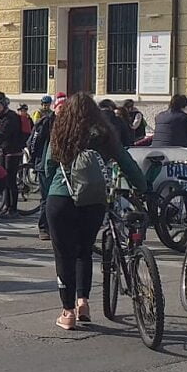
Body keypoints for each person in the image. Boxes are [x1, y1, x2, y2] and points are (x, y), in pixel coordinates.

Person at [41, 92, 147, 331]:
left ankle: (67, 312)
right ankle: (83, 303)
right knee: (84, 251)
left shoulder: (60, 132)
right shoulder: (104, 135)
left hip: (60, 198)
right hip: (93, 201)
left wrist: (51, 191)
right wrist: (144, 188)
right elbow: (126, 162)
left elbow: (47, 166)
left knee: (63, 254)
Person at [28, 96, 57, 241]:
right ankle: (44, 228)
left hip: (59, 166)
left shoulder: (66, 122)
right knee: (46, 198)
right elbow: (33, 142)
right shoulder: (45, 121)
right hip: (44, 166)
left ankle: (55, 228)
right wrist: (35, 160)